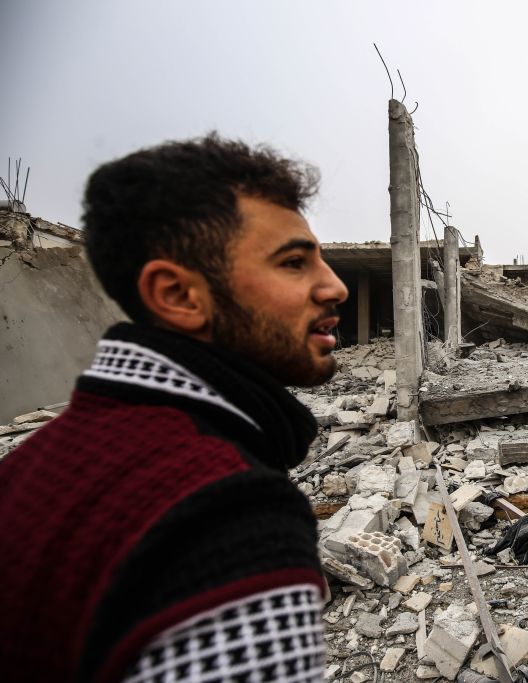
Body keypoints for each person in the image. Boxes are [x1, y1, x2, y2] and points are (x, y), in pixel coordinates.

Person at [0, 134, 348, 683]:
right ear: (179, 295)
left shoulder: (24, 468)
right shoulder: (231, 522)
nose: (336, 286)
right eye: (293, 263)